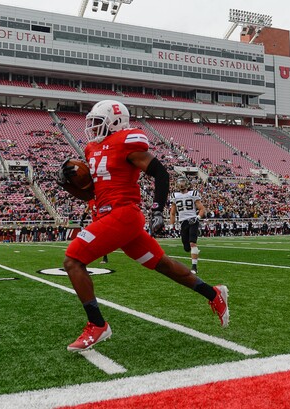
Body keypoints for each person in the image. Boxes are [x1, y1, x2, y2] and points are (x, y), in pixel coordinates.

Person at [57, 99, 229, 352]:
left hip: (124, 214)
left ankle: (97, 324)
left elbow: (161, 172)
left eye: (97, 122)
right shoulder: (91, 149)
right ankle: (214, 293)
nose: (92, 128)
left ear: (115, 122)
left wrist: (158, 209)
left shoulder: (127, 142)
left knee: (73, 260)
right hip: (109, 217)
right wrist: (71, 186)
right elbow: (93, 192)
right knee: (163, 265)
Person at [169, 176, 205, 274]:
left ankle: (194, 267)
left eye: (183, 182)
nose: (181, 184)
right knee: (187, 248)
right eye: (179, 182)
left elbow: (202, 209)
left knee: (192, 243)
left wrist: (197, 218)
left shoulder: (193, 193)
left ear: (187, 183)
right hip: (183, 222)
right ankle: (195, 250)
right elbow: (172, 213)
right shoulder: (174, 195)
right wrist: (171, 226)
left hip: (193, 220)